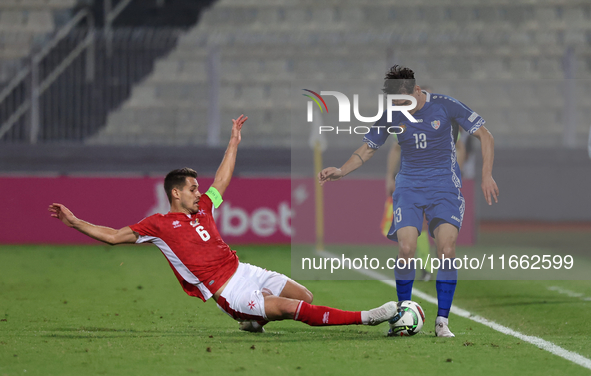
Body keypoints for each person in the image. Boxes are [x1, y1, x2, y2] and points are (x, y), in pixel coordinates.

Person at [48, 115, 398, 333]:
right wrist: (74, 221)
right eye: (191, 188)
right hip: (229, 290)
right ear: (174, 193)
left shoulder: (203, 208)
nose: (199, 192)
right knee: (292, 309)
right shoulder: (157, 225)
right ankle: (366, 317)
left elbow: (222, 182)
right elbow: (112, 236)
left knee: (304, 295)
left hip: (244, 269)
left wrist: (233, 143)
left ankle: (255, 319)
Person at [318, 66, 498, 337]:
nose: (401, 107)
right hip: (409, 188)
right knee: (406, 249)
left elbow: (485, 135)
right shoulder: (391, 114)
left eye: (405, 101)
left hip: (444, 188)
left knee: (446, 251)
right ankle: (403, 311)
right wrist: (342, 170)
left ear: (417, 91)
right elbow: (367, 149)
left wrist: (486, 175)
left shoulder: (445, 105)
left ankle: (442, 321)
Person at [382, 86, 467, 282]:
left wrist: (455, 172)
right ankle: (426, 266)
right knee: (415, 225)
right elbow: (395, 149)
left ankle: (436, 265)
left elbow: (460, 147)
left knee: (441, 229)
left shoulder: (445, 123)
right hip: (413, 182)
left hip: (440, 183)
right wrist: (390, 175)